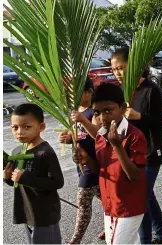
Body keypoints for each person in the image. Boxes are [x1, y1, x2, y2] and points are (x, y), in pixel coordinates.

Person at [73, 83, 148, 244]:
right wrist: (87, 160)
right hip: (110, 205)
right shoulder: (101, 136)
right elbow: (101, 169)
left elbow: (135, 175)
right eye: (97, 112)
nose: (102, 118)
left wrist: (117, 146)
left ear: (122, 108)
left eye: (108, 111)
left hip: (129, 206)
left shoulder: (134, 136)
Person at [111, 47, 162, 244]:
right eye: (114, 69)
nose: (118, 73)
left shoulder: (151, 90)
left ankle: (146, 240)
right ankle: (161, 234)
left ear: (135, 66)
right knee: (146, 194)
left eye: (122, 68)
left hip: (152, 151)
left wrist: (139, 117)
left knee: (141, 197)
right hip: (131, 153)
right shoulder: (120, 92)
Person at [4, 103, 64, 244]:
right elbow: (19, 182)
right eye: (15, 127)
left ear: (41, 127)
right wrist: (8, 178)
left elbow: (57, 182)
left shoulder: (45, 152)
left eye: (27, 127)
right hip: (28, 212)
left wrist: (25, 177)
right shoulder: (18, 151)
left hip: (45, 215)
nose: (19, 132)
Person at [59, 78, 103, 244]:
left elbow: (98, 135)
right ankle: (112, 222)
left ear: (89, 92)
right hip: (81, 164)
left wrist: (83, 120)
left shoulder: (95, 112)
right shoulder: (75, 111)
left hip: (94, 163)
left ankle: (76, 240)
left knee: (83, 201)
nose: (73, 96)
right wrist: (68, 138)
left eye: (77, 93)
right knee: (104, 198)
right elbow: (77, 134)